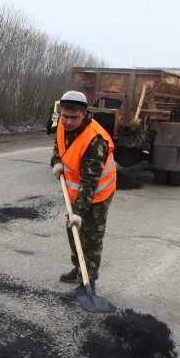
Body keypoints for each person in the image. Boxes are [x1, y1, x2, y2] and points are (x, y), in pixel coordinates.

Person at [51, 90, 117, 295]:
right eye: (65, 116)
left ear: (84, 114)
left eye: (74, 118)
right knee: (73, 231)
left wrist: (79, 211)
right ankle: (79, 267)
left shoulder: (95, 140)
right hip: (75, 192)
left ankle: (89, 283)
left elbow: (90, 182)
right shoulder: (61, 126)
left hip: (97, 194)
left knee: (91, 237)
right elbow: (59, 148)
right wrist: (56, 163)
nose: (68, 122)